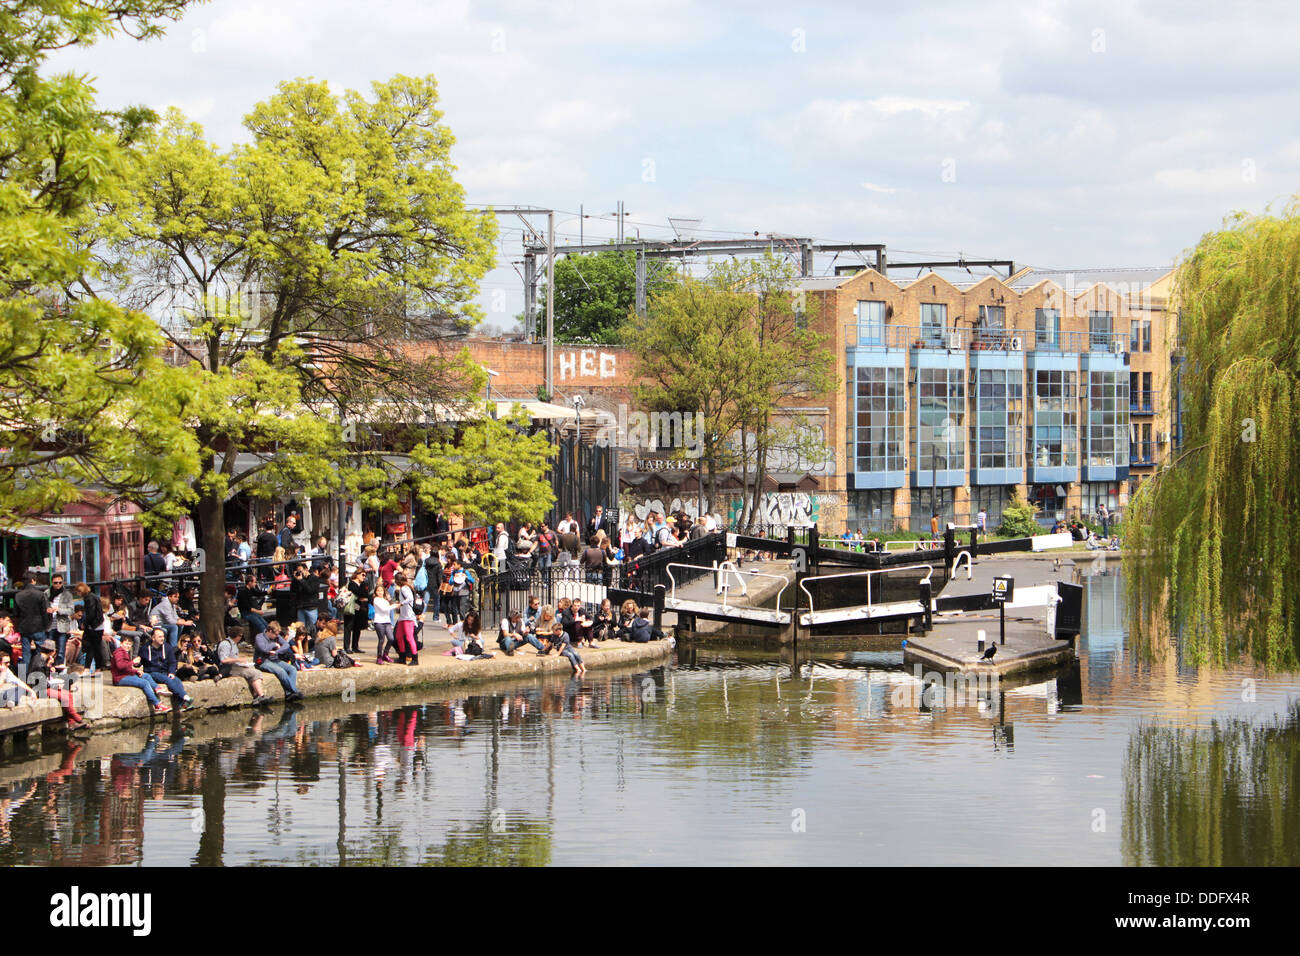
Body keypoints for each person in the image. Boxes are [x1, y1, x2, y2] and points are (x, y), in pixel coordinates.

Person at [26, 639, 85, 726]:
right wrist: (56, 685)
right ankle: (76, 717)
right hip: (38, 689)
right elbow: (43, 684)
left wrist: (49, 667)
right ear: (52, 652)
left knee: (68, 694)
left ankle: (71, 721)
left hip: (42, 686)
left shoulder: (39, 658)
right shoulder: (40, 664)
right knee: (64, 697)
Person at [110, 635, 171, 714]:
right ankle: (157, 705)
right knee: (144, 683)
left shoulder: (124, 652)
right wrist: (133, 662)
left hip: (125, 675)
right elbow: (120, 666)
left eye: (129, 644)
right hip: (119, 679)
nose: (128, 646)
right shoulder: (119, 653)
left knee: (146, 675)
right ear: (121, 644)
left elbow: (126, 668)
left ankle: (157, 688)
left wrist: (136, 671)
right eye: (126, 644)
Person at [139, 628, 195, 711]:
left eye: (163, 636)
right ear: (153, 638)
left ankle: (181, 705)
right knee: (167, 680)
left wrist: (172, 672)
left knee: (177, 680)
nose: (162, 638)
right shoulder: (145, 648)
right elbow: (141, 661)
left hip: (165, 671)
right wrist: (137, 663)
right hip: (152, 672)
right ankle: (185, 697)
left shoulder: (167, 647)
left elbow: (172, 662)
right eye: (160, 637)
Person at [216, 628, 271, 705]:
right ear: (237, 636)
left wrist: (242, 662)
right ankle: (260, 696)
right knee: (253, 673)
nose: (241, 638)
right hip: (229, 668)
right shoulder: (225, 644)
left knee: (257, 672)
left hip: (237, 666)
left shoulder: (234, 644)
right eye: (241, 636)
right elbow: (224, 660)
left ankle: (256, 695)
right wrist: (238, 660)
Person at [253, 624, 304, 700]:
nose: (277, 636)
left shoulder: (277, 636)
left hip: (275, 659)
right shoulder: (259, 637)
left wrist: (277, 652)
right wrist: (274, 644)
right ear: (270, 631)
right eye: (275, 634)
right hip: (263, 661)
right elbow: (263, 648)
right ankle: (294, 691)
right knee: (281, 671)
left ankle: (289, 693)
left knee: (292, 669)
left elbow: (286, 645)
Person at [14, 572, 49, 676]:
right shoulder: (40, 594)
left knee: (26, 653)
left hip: (24, 627)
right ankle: (39, 674)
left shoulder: (18, 595)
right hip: (38, 626)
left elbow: (16, 613)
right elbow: (44, 612)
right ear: (33, 580)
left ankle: (23, 676)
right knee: (40, 652)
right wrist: (46, 626)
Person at [48, 573, 76, 666]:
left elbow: (71, 610)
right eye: (55, 583)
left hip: (62, 625)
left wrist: (59, 610)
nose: (58, 585)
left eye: (60, 582)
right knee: (49, 649)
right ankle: (49, 668)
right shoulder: (46, 593)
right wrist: (47, 610)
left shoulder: (67, 595)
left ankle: (59, 668)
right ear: (52, 583)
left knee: (61, 650)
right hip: (49, 625)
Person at [392, 571, 419, 666]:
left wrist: (401, 604)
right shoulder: (405, 588)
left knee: (409, 637)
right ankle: (402, 657)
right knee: (399, 636)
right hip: (403, 616)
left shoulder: (404, 588)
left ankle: (415, 658)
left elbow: (410, 598)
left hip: (408, 616)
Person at [371, 587, 396, 664]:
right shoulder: (376, 600)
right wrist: (395, 606)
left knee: (391, 638)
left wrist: (391, 601)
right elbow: (384, 609)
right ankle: (379, 657)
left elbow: (389, 606)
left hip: (387, 621)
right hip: (379, 621)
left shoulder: (385, 600)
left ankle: (385, 654)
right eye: (378, 591)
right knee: (381, 640)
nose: (380, 592)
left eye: (381, 591)